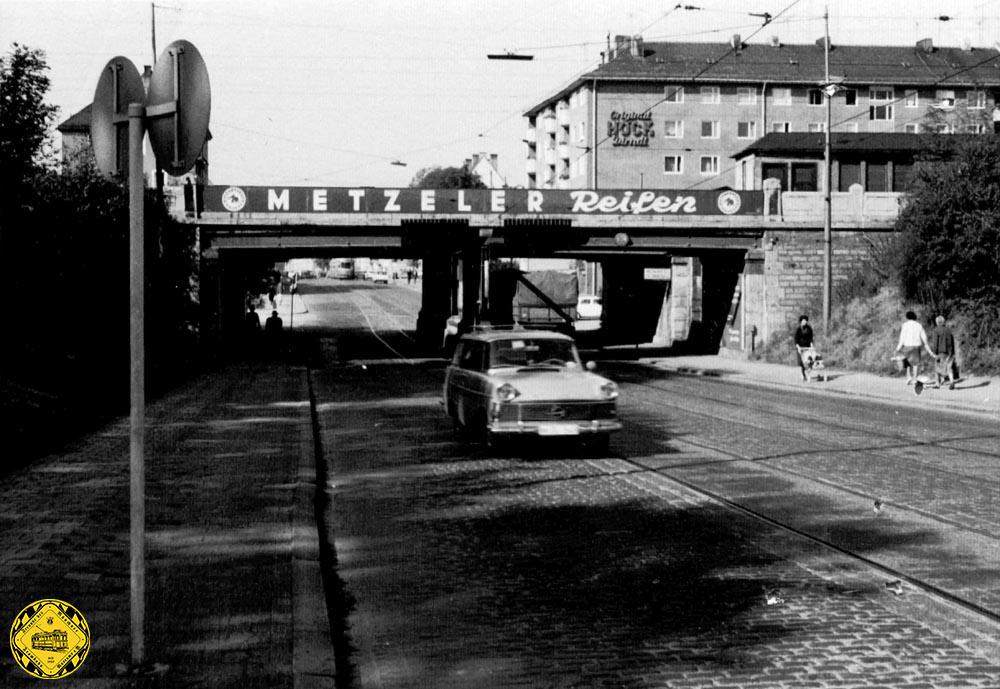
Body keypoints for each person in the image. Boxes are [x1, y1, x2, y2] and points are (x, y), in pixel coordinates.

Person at [895, 311, 936, 395]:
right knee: (915, 364)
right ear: (915, 317)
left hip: (907, 345)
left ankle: (908, 377)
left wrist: (898, 347)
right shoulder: (919, 325)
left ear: (907, 317)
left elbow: (902, 337)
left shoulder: (905, 325)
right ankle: (914, 379)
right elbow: (924, 336)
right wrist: (926, 343)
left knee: (907, 362)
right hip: (916, 346)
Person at [929, 315, 956, 390]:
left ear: (937, 322)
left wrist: (934, 353)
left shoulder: (936, 330)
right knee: (949, 368)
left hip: (940, 352)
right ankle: (951, 381)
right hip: (948, 352)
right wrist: (952, 352)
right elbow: (951, 342)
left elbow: (935, 343)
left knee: (937, 368)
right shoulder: (948, 330)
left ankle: (937, 384)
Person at [794, 315, 814, 381]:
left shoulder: (809, 328)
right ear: (801, 321)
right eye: (803, 321)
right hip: (800, 347)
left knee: (807, 361)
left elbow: (811, 338)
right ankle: (803, 374)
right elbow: (796, 339)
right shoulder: (798, 329)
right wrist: (798, 347)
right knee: (801, 362)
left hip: (807, 347)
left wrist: (811, 345)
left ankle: (807, 374)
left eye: (805, 321)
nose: (805, 322)